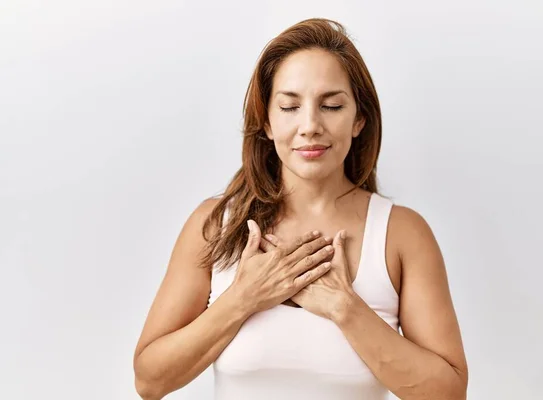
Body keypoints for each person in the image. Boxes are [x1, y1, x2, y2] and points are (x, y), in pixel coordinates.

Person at [133, 18, 468, 400]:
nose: (310, 126)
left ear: (359, 119)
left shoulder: (402, 234)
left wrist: (347, 309)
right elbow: (150, 380)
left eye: (331, 105)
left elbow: (449, 393)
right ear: (267, 123)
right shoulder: (215, 225)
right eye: (290, 106)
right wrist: (243, 299)